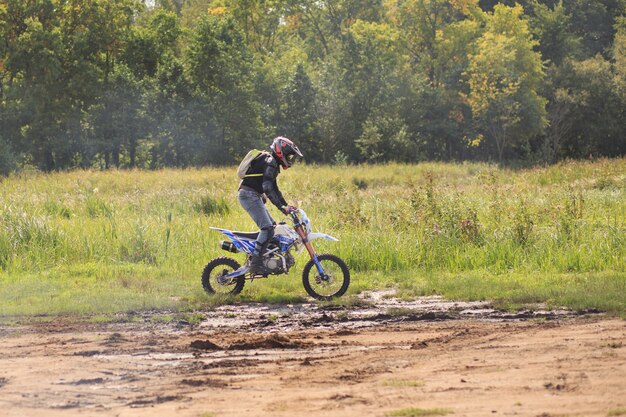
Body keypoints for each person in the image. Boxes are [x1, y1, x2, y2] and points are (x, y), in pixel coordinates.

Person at [238, 136, 303, 274]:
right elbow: (267, 189)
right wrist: (281, 207)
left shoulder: (271, 162)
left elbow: (274, 189)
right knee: (267, 228)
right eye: (289, 155)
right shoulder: (271, 162)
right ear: (280, 151)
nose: (290, 159)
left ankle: (268, 260)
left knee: (272, 227)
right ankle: (256, 263)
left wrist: (286, 206)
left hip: (252, 195)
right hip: (249, 195)